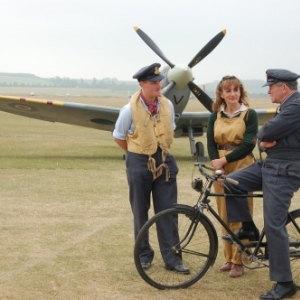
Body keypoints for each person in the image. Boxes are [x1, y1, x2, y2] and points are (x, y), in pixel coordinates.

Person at [222, 69, 300, 299]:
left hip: (285, 170)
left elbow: (267, 131)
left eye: (271, 87)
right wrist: (265, 141)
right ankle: (248, 227)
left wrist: (265, 139)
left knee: (274, 224)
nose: (269, 92)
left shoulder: (295, 106)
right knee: (232, 182)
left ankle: (285, 283)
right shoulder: (288, 105)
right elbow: (262, 137)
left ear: (283, 88)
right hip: (271, 165)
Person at [112, 63, 189, 274]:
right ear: (142, 84)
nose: (159, 85)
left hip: (164, 161)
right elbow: (119, 137)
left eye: (159, 81)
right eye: (154, 82)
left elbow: (169, 130)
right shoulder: (128, 110)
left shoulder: (168, 105)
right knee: (140, 210)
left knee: (168, 210)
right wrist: (137, 153)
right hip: (138, 161)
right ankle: (144, 254)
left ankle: (172, 258)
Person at [207, 75, 258, 278]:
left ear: (240, 92)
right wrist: (218, 168)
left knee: (241, 212)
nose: (232, 94)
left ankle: (240, 260)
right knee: (224, 213)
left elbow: (248, 144)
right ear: (221, 93)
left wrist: (224, 161)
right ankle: (228, 258)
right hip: (220, 166)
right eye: (228, 90)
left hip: (242, 164)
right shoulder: (215, 115)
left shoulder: (249, 114)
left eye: (235, 90)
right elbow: (211, 143)